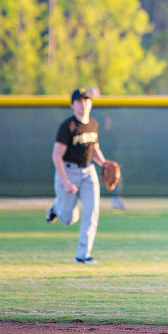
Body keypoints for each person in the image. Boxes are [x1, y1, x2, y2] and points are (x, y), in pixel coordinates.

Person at [46, 88, 112, 264]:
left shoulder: (93, 124)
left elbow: (94, 148)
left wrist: (104, 164)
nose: (83, 104)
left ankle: (83, 255)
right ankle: (57, 208)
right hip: (68, 171)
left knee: (92, 211)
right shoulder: (68, 126)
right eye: (79, 101)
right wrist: (66, 181)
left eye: (86, 100)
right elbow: (56, 156)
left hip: (88, 172)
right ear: (72, 105)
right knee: (69, 218)